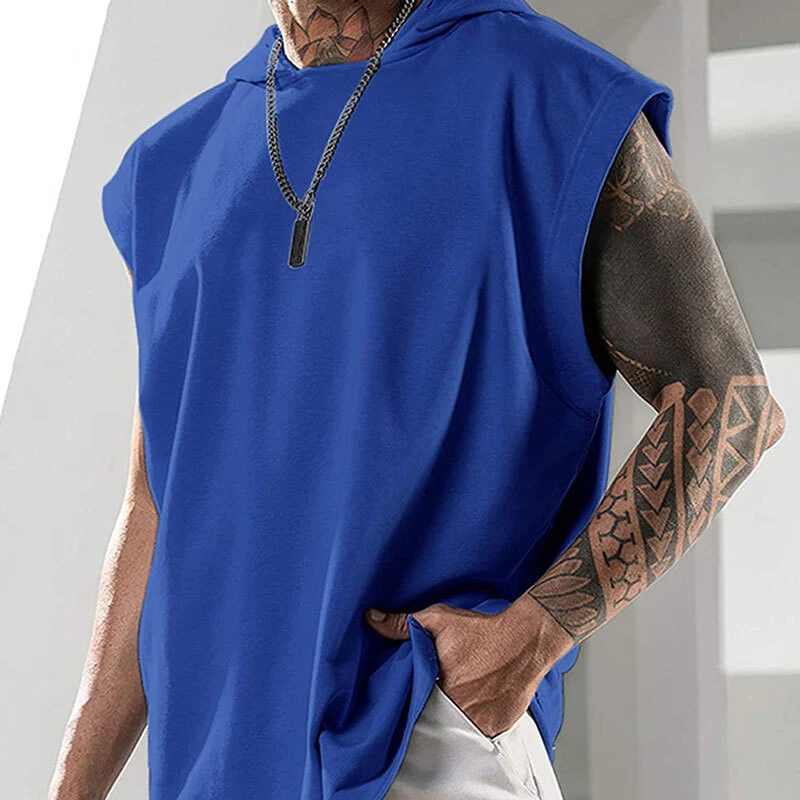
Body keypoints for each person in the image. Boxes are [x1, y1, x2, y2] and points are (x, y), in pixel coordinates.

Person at [48, 1, 785, 799]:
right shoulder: (169, 168)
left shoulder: (545, 92)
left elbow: (732, 400)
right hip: (215, 770)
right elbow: (156, 501)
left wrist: (536, 632)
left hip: (420, 742)